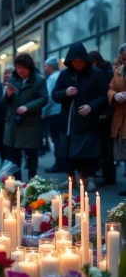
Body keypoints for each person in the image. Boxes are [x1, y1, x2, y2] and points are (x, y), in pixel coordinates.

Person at [52, 42, 107, 191]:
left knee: (89, 152)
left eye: (80, 61)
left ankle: (89, 178)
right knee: (68, 152)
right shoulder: (65, 74)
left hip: (88, 120)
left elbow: (104, 95)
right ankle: (71, 179)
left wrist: (91, 106)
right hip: (69, 121)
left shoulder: (96, 74)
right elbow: (55, 95)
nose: (77, 64)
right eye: (74, 61)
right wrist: (65, 93)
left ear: (85, 60)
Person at [3, 53, 48, 181]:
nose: (20, 71)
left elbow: (44, 99)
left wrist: (27, 107)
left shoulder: (39, 80)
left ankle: (32, 182)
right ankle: (17, 184)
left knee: (31, 155)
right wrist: (8, 94)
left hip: (30, 123)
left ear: (29, 67)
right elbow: (4, 102)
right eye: (18, 67)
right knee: (14, 157)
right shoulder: (12, 79)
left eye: (23, 68)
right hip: (13, 125)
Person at [89, 51, 116, 186]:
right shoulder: (103, 72)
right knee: (103, 147)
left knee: (106, 148)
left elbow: (108, 94)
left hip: (105, 115)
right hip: (100, 113)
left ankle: (109, 176)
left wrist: (106, 112)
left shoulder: (106, 73)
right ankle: (107, 175)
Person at [108, 43, 126, 196]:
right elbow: (111, 88)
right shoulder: (119, 71)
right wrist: (114, 96)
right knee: (124, 151)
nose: (124, 61)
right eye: (122, 58)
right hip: (121, 118)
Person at [42, 57, 62, 173]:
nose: (44, 68)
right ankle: (62, 162)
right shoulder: (60, 76)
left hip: (53, 113)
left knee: (56, 139)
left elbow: (48, 97)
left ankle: (58, 163)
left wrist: (43, 112)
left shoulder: (52, 79)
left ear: (51, 66)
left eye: (45, 66)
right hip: (60, 111)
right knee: (59, 138)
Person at [0, 65, 14, 163]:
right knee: (1, 146)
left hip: (12, 121)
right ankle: (3, 165)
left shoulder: (16, 87)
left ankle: (11, 166)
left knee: (11, 148)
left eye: (10, 73)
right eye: (5, 73)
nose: (7, 75)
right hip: (0, 121)